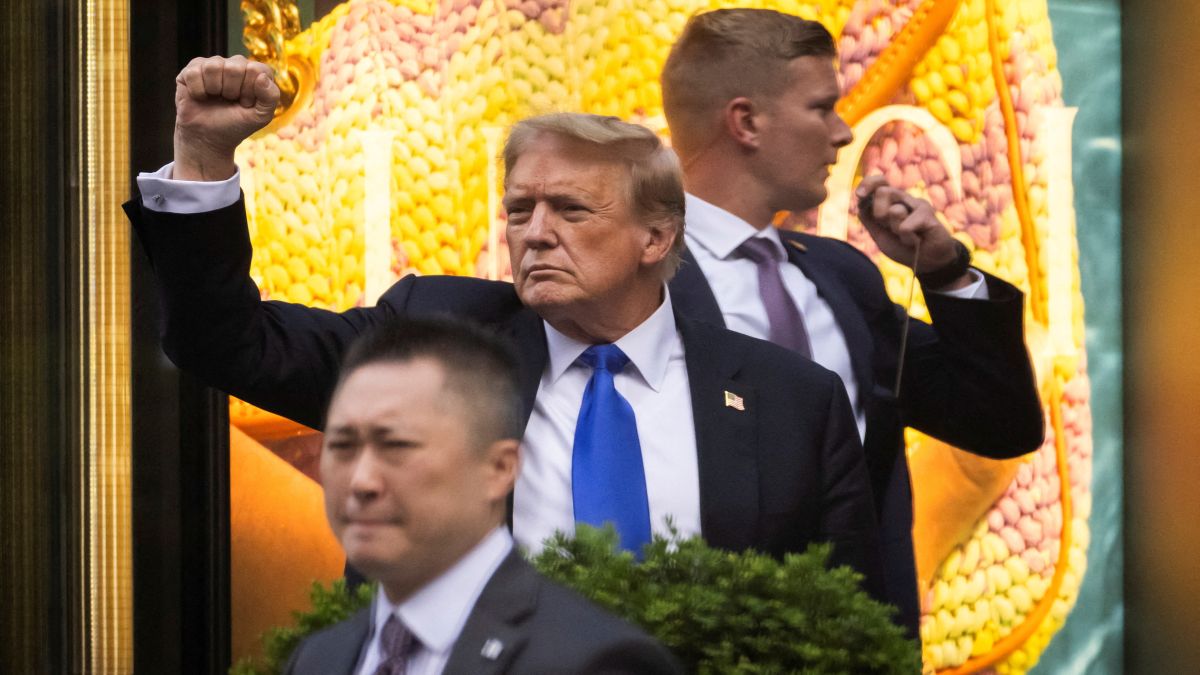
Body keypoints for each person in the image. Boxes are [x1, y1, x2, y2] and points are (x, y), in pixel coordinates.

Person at [124, 56, 883, 598]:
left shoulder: (794, 401)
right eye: (521, 210)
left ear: (657, 237)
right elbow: (228, 342)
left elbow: (854, 621)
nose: (535, 233)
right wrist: (202, 157)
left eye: (571, 210)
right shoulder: (435, 334)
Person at [660, 8, 1044, 635]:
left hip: (863, 645)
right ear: (746, 121)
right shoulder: (634, 282)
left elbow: (998, 424)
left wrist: (947, 273)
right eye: (821, 107)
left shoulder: (840, 277)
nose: (843, 134)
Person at [286, 318, 682, 674]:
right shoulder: (321, 658)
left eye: (396, 446)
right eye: (342, 446)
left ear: (499, 469)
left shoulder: (593, 661)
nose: (362, 481)